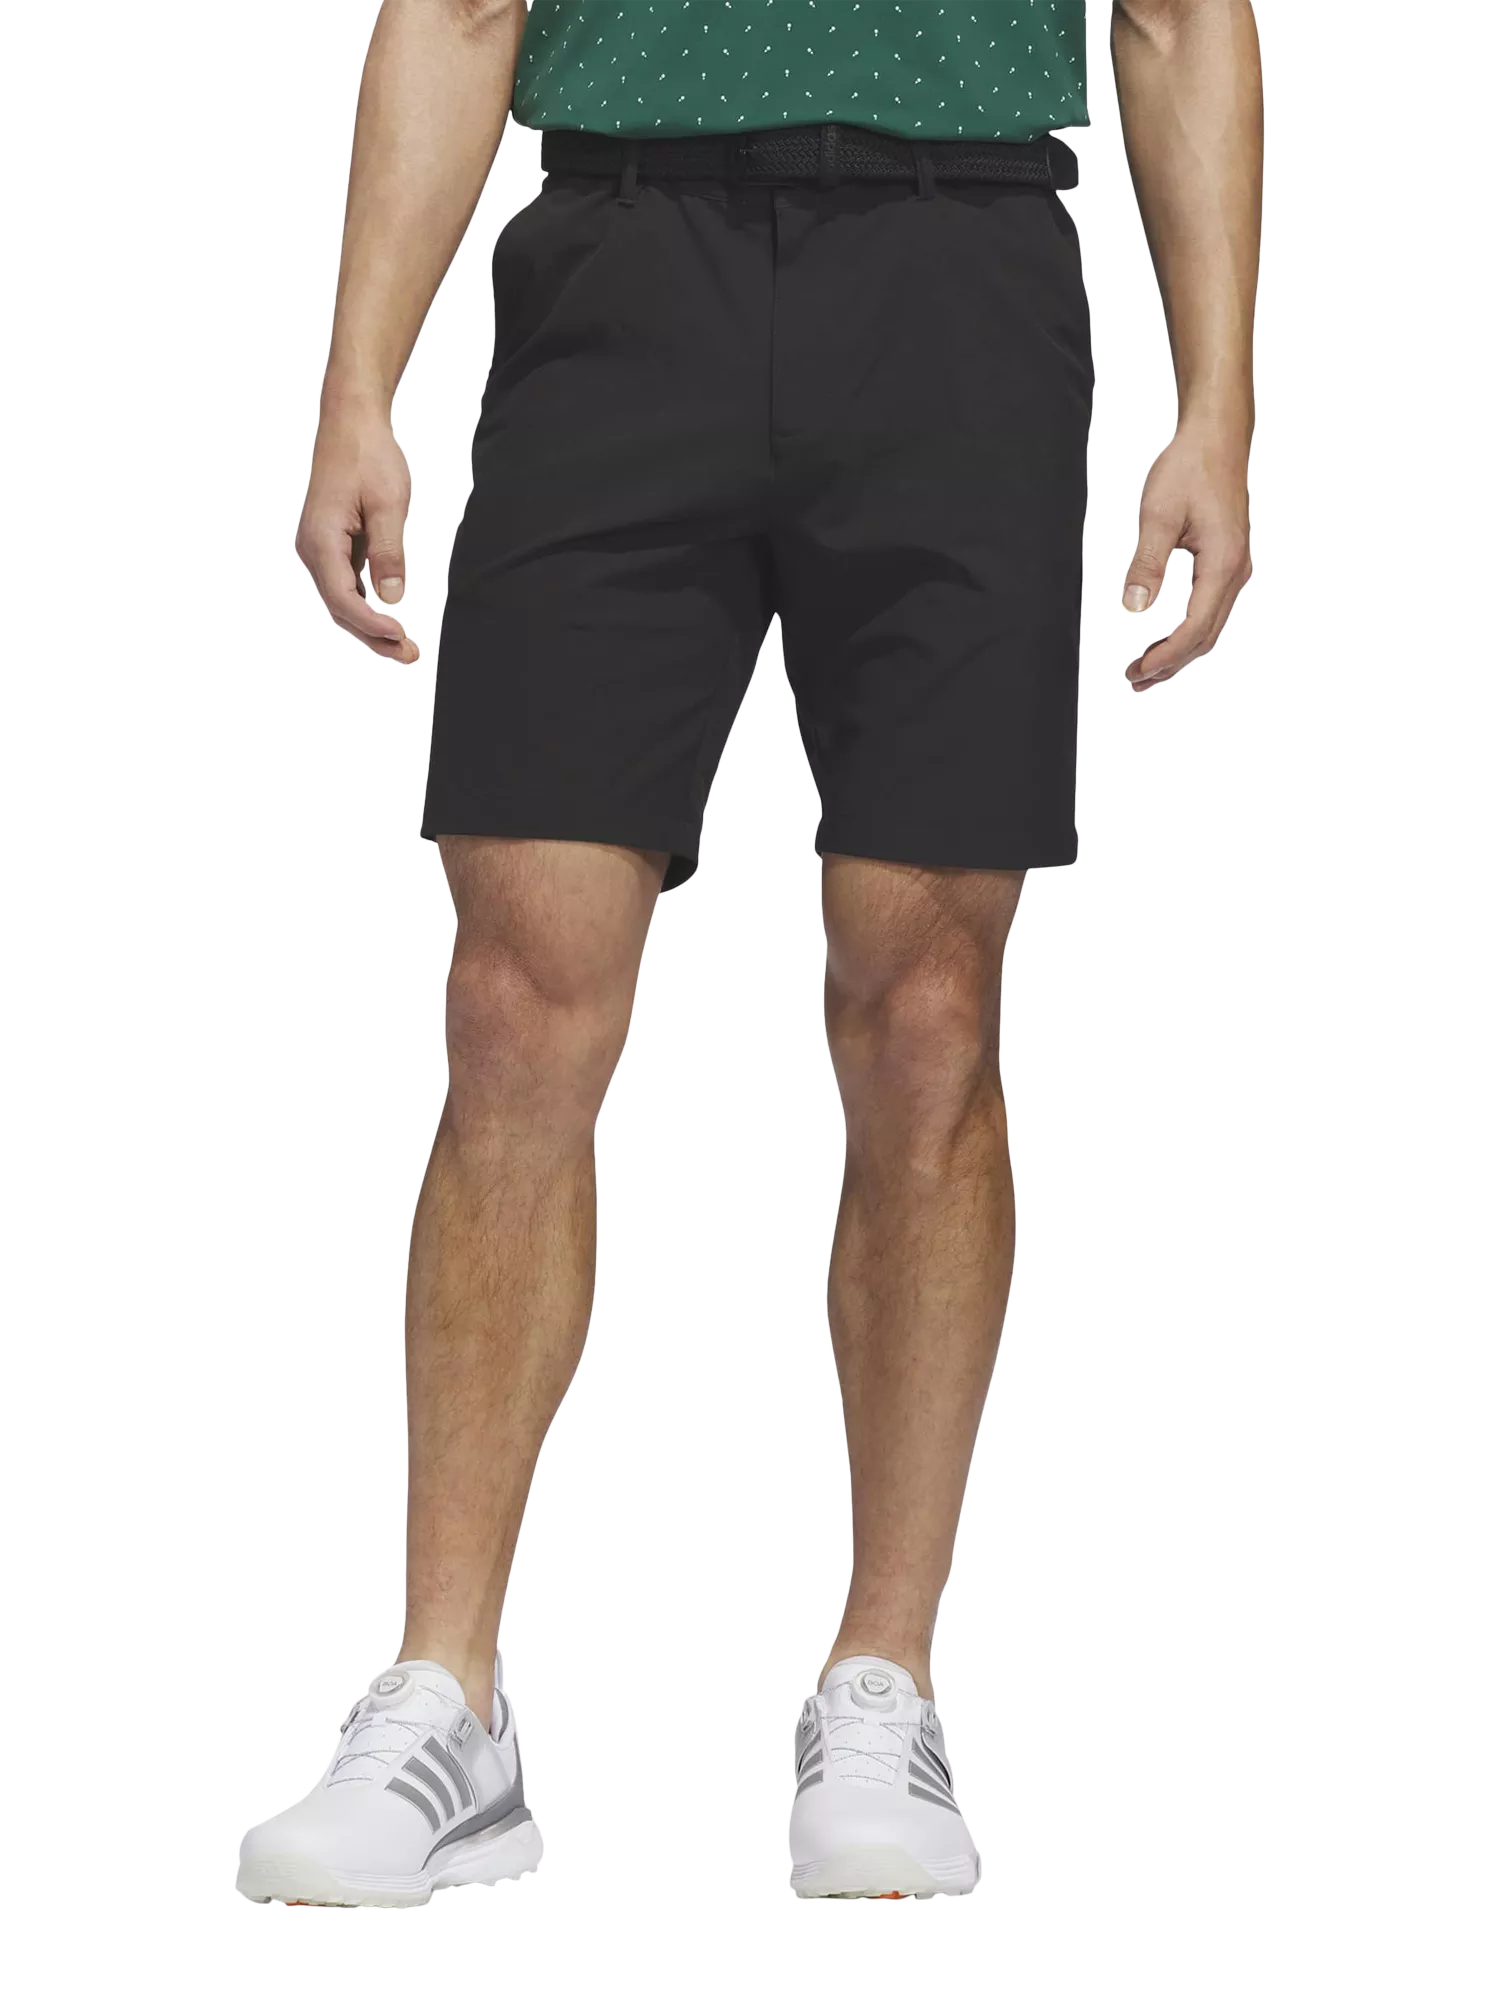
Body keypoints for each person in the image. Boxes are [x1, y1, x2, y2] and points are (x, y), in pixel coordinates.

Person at [238, 0, 1262, 1907]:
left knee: (927, 1011)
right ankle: (446, 1694)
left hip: (961, 278)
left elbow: (1181, 13)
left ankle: (886, 1679)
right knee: (514, 1002)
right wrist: (354, 381)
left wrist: (1220, 404)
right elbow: (459, 5)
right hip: (621, 271)